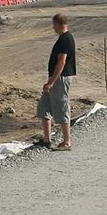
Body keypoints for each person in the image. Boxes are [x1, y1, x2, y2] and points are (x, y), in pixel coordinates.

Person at [38, 13, 76, 150]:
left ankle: (67, 142)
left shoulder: (65, 39)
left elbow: (62, 61)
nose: (53, 27)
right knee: (44, 107)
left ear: (59, 24)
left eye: (54, 24)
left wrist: (52, 81)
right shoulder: (63, 38)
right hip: (55, 78)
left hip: (60, 78)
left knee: (62, 108)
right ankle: (46, 139)